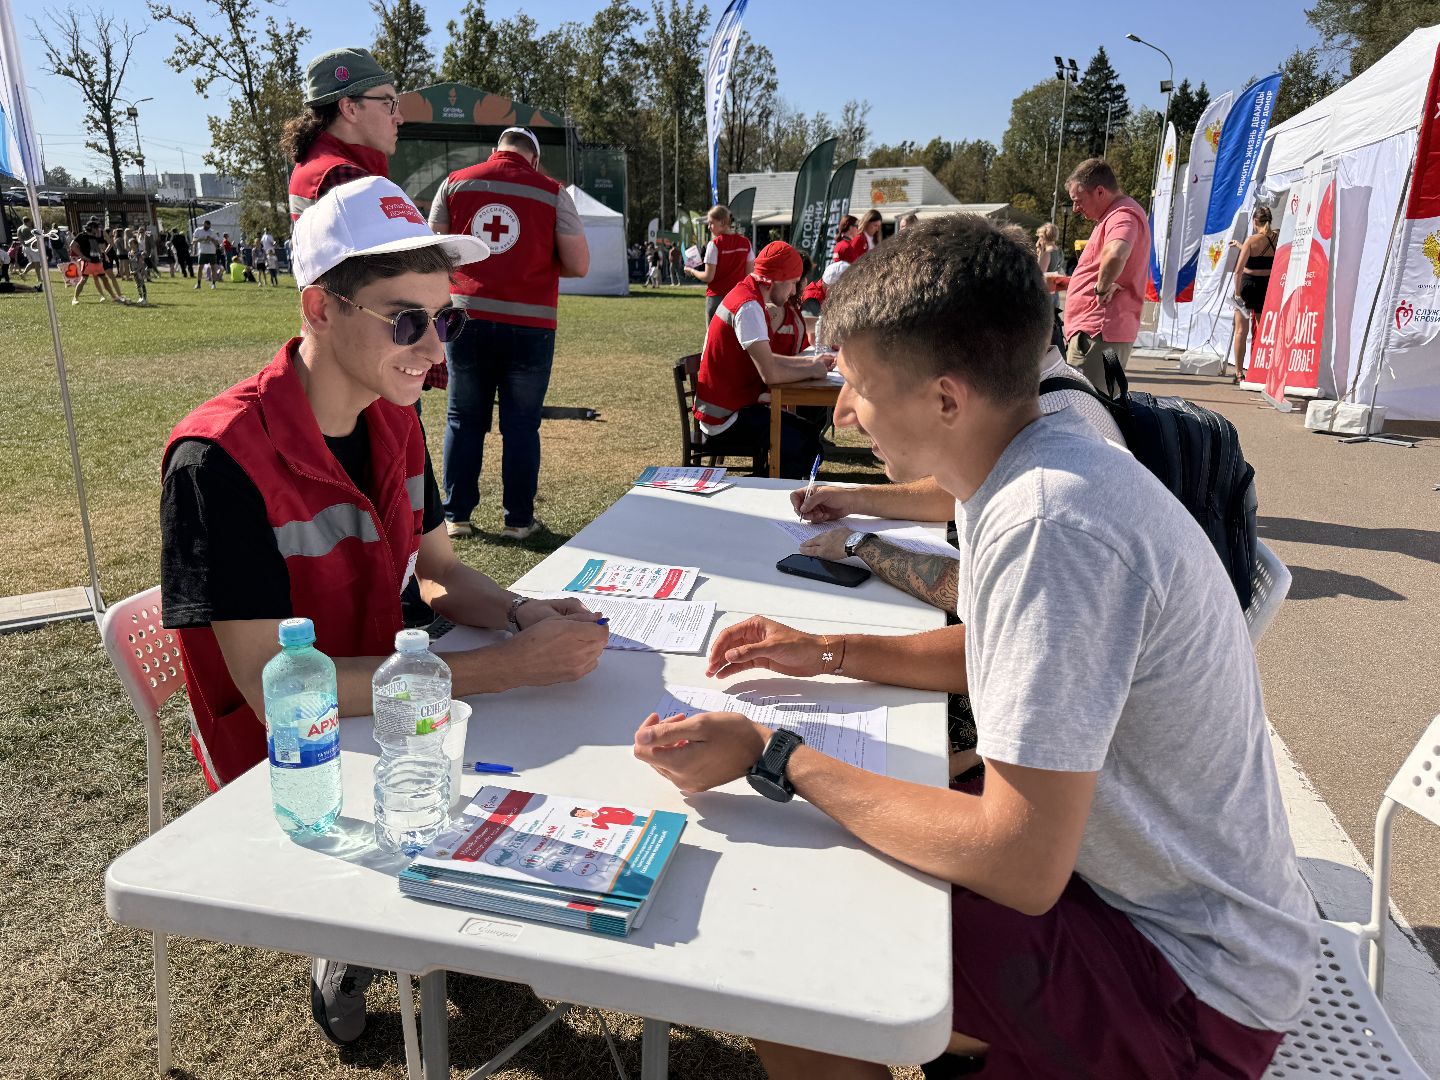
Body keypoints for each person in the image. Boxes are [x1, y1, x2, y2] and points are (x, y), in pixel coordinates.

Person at [633, 215, 1319, 1080]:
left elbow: (1019, 862)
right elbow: (1000, 653)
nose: (844, 412)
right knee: (837, 863)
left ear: (946, 400)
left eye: (859, 387)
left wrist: (778, 755)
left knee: (792, 945)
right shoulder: (1026, 468)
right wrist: (825, 649)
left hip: (1193, 987)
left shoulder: (1050, 521)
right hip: (1149, 911)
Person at [159, 175, 610, 1046]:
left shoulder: (393, 416)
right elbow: (273, 693)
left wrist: (521, 613)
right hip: (293, 764)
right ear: (319, 309)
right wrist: (502, 669)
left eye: (446, 319)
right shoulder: (217, 460)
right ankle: (353, 933)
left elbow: (437, 572)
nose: (434, 350)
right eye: (407, 320)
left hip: (398, 710)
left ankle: (425, 900)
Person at [427, 126, 589, 541]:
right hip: (531, 325)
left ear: (494, 151)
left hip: (466, 319)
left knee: (463, 419)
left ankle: (456, 517)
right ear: (534, 158)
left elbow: (434, 251)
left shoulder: (454, 183)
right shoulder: (552, 192)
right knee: (521, 426)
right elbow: (578, 264)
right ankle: (519, 520)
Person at [285, 47, 443, 402]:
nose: (398, 116)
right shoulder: (344, 177)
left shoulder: (316, 165)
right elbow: (399, 281)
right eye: (388, 103)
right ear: (350, 108)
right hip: (376, 355)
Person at [692, 241, 833, 479]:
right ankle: (761, 489)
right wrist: (813, 370)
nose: (793, 291)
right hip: (725, 419)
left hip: (732, 409)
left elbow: (768, 360)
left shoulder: (750, 297)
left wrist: (810, 364)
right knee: (806, 447)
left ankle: (766, 484)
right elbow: (771, 374)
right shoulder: (749, 307)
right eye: (792, 282)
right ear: (777, 278)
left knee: (809, 437)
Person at [1061, 158, 1150, 389]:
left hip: (1097, 332)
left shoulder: (1122, 215)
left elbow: (1116, 252)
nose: (1076, 208)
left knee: (1085, 402)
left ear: (1100, 191)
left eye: (1078, 200)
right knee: (1091, 401)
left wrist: (1100, 289)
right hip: (1098, 331)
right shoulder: (1115, 215)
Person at [684, 204, 755, 324]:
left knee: (713, 335)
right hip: (738, 298)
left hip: (716, 299)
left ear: (722, 222)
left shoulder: (714, 244)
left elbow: (708, 277)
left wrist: (691, 271)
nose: (708, 227)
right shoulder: (745, 243)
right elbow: (749, 275)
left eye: (711, 223)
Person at [1231, 207, 1277, 384]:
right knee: (1263, 331)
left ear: (1255, 221)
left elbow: (1238, 271)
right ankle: (1260, 370)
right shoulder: (1277, 237)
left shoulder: (1251, 240)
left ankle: (1239, 373)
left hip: (1247, 287)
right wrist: (1240, 246)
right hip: (1265, 287)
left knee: (1241, 331)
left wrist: (1237, 295)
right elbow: (1262, 258)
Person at [69, 220, 123, 305]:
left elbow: (97, 247)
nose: (97, 230)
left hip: (97, 262)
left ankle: (114, 297)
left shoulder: (94, 236)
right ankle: (75, 299)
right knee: (83, 280)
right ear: (91, 228)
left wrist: (102, 255)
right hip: (87, 262)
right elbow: (72, 245)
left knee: (105, 279)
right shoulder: (81, 235)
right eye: (96, 228)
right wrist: (82, 256)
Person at [192, 219, 221, 289]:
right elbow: (194, 241)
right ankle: (198, 284)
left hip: (211, 252)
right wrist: (202, 239)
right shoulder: (198, 230)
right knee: (200, 268)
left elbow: (217, 243)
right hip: (202, 252)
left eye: (208, 227)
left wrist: (211, 239)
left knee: (213, 268)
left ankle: (213, 284)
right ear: (204, 224)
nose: (207, 228)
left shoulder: (212, 232)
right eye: (206, 226)